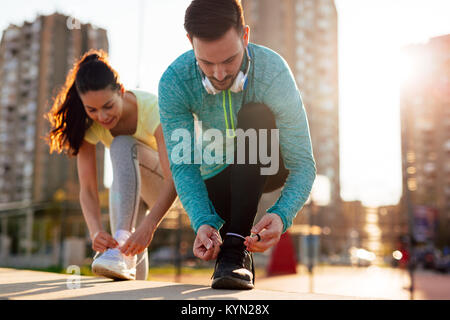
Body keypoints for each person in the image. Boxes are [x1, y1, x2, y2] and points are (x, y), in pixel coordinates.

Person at [158, 0, 316, 290]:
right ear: (190, 42)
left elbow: (303, 164)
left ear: (245, 36)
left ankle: (233, 252)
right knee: (206, 172)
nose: (218, 75)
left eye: (229, 60)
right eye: (206, 63)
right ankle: (234, 244)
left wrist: (282, 214)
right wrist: (202, 220)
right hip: (216, 176)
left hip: (268, 164)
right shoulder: (174, 82)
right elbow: (183, 164)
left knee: (256, 114)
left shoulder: (273, 72)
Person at [46, 50, 177, 280]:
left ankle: (124, 237)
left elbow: (174, 179)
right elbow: (87, 189)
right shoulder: (89, 127)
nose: (102, 117)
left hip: (165, 188)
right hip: (130, 192)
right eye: (92, 110)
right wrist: (95, 231)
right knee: (124, 251)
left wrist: (150, 225)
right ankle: (128, 271)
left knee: (122, 143)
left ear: (121, 91)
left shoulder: (152, 109)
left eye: (108, 106)